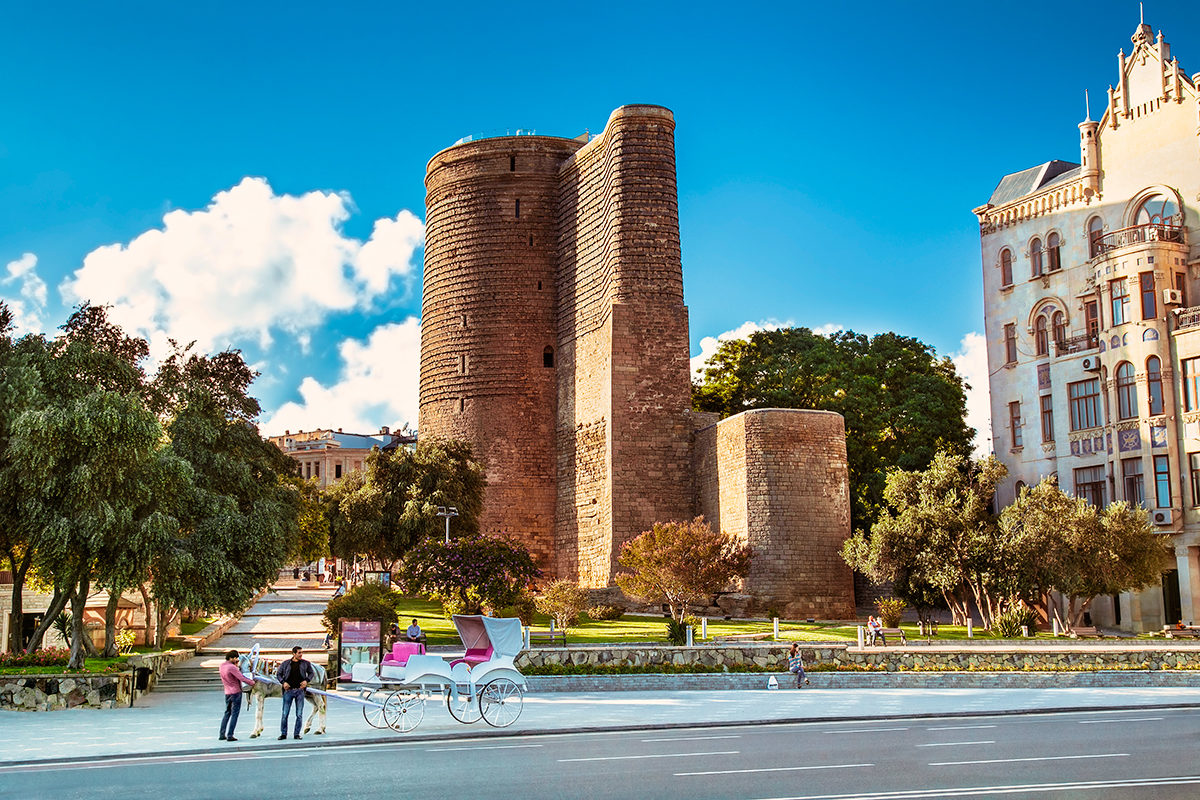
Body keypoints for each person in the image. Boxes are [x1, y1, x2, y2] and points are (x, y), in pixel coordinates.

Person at [275, 646, 315, 740]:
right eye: (299, 653)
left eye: (301, 652)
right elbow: (278, 674)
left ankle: (297, 734)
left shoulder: (306, 663)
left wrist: (306, 680)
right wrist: (283, 682)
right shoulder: (285, 664)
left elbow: (311, 673)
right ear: (293, 654)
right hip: (288, 691)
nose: (301, 654)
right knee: (285, 713)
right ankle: (283, 733)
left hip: (300, 691)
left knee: (299, 714)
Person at [218, 649, 254, 741]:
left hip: (227, 692)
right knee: (235, 714)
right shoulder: (232, 667)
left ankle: (222, 734)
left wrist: (236, 665)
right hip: (235, 692)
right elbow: (241, 677)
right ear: (231, 658)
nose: (237, 659)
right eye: (235, 658)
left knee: (227, 713)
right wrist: (251, 682)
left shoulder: (222, 666)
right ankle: (230, 734)